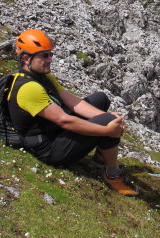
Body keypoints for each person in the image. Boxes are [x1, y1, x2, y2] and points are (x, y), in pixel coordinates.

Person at [8, 29, 139, 197]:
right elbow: (64, 120)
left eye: (50, 54)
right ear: (26, 58)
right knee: (106, 122)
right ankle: (112, 173)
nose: (50, 60)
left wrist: (111, 119)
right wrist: (107, 129)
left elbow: (72, 102)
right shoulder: (28, 88)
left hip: (52, 131)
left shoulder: (42, 76)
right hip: (48, 149)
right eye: (44, 56)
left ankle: (101, 156)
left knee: (101, 99)